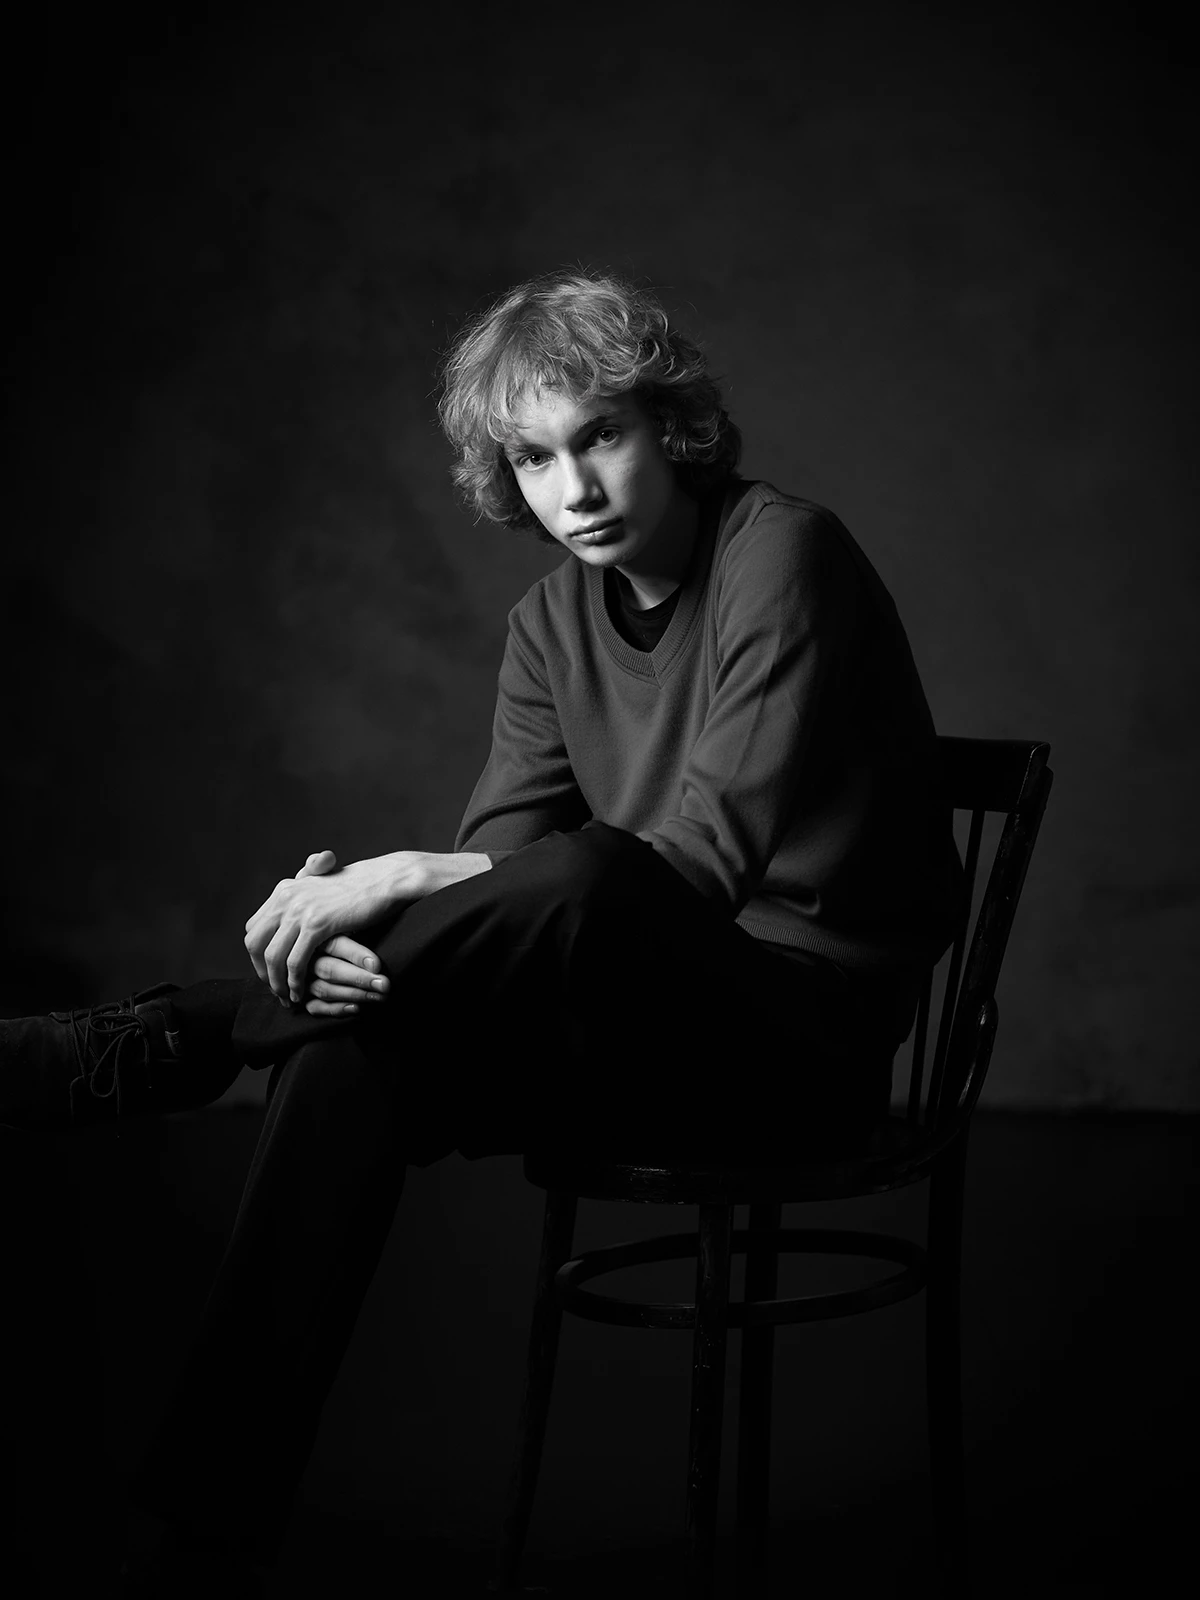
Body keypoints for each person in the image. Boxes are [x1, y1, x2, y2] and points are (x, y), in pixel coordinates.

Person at [0, 268, 963, 1593]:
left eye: (601, 436)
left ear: (672, 426)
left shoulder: (782, 554)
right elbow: (499, 915)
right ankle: (205, 1531)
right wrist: (410, 903)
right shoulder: (547, 625)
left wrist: (396, 871)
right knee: (356, 1051)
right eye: (535, 457)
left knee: (600, 873)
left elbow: (688, 868)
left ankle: (190, 1033)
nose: (576, 487)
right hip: (641, 1030)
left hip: (803, 1046)